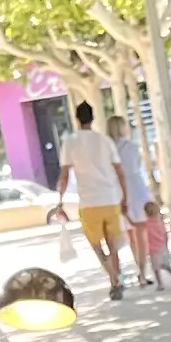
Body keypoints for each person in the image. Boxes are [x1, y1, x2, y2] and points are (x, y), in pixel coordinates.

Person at [59, 96, 128, 300]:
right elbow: (120, 171)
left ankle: (113, 279)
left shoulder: (70, 142)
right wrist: (125, 197)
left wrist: (59, 201)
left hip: (89, 202)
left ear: (77, 118)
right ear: (93, 117)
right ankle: (118, 279)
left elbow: (64, 176)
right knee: (113, 245)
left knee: (97, 246)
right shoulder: (104, 141)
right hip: (110, 198)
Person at [112, 110, 171, 290]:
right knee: (143, 234)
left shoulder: (109, 149)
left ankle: (139, 269)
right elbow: (138, 165)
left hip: (118, 190)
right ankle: (142, 273)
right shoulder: (130, 147)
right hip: (136, 189)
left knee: (132, 236)